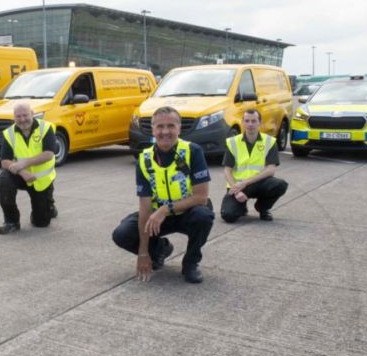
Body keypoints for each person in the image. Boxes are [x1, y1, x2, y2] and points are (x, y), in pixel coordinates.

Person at [112, 106, 214, 284]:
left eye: (171, 126)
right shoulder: (144, 160)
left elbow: (201, 197)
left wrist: (165, 209)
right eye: (160, 127)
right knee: (122, 233)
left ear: (179, 128)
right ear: (153, 129)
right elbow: (145, 206)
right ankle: (159, 251)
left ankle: (190, 263)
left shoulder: (193, 151)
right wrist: (143, 253)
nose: (165, 131)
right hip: (157, 216)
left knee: (203, 215)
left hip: (188, 212)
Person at [0, 102, 58, 235]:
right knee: (4, 179)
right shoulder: (9, 133)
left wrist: (23, 164)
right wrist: (22, 171)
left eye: (25, 115)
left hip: (41, 180)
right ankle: (11, 221)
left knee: (41, 223)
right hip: (21, 176)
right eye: (18, 116)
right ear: (14, 117)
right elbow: (5, 161)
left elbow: (49, 154)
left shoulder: (46, 128)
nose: (22, 119)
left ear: (32, 113)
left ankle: (49, 204)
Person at [220, 109, 288, 222]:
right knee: (228, 216)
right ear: (243, 122)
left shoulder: (269, 141)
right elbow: (227, 170)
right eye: (247, 121)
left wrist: (246, 182)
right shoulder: (233, 142)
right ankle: (241, 207)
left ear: (259, 122)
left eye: (253, 121)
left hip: (258, 183)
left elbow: (271, 170)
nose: (250, 124)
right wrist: (236, 190)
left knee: (280, 185)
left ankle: (262, 208)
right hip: (237, 186)